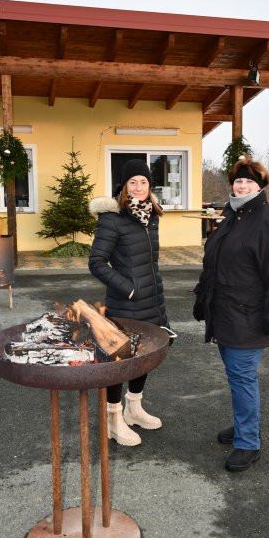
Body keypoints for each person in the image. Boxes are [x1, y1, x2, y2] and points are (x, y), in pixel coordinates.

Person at [193, 154, 269, 472]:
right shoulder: (231, 217)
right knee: (237, 377)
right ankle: (243, 427)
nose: (241, 184)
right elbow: (213, 262)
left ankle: (249, 442)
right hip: (225, 312)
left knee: (242, 377)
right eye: (238, 180)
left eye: (248, 180)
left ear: (259, 185)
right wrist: (202, 298)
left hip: (250, 315)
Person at [88, 158, 169, 446]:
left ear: (150, 186)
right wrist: (129, 290)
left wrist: (158, 302)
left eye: (144, 182)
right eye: (132, 182)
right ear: (123, 186)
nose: (138, 187)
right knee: (119, 362)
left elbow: (151, 266)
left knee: (145, 357)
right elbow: (96, 263)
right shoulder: (113, 218)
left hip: (152, 302)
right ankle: (113, 419)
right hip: (125, 304)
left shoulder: (152, 218)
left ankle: (134, 409)